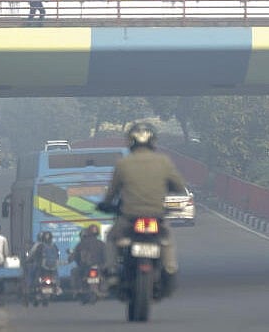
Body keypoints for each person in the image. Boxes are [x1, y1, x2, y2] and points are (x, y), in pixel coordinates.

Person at [98, 122, 186, 298]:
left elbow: (112, 192)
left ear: (130, 141)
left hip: (129, 217)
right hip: (156, 216)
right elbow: (179, 185)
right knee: (167, 240)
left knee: (111, 238)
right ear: (153, 141)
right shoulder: (163, 162)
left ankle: (112, 270)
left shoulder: (123, 164)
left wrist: (106, 204)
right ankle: (169, 268)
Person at [70, 224, 108, 297]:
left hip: (85, 267)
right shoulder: (101, 243)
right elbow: (106, 256)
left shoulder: (81, 244)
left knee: (74, 272)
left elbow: (75, 256)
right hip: (98, 266)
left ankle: (78, 289)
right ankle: (103, 289)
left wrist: (79, 263)